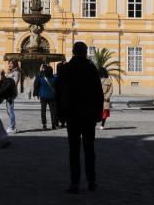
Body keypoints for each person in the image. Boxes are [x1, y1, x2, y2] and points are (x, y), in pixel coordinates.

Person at [55, 42, 103, 194]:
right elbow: (98, 93)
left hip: (72, 114)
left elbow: (59, 92)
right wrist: (98, 114)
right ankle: (91, 181)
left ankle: (74, 183)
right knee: (89, 149)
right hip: (88, 114)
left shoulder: (66, 68)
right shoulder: (91, 68)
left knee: (74, 150)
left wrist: (60, 114)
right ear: (85, 52)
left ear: (73, 52)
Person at [34, 64, 57, 130]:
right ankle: (53, 124)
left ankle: (44, 125)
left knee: (43, 110)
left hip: (43, 96)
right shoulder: (54, 78)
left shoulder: (41, 78)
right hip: (52, 96)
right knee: (53, 111)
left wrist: (40, 70)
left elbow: (37, 79)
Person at [4, 59, 21, 134]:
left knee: (10, 110)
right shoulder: (11, 72)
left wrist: (7, 79)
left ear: (14, 64)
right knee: (8, 110)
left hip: (11, 93)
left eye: (11, 63)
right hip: (7, 92)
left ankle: (12, 126)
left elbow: (14, 82)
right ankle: (13, 126)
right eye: (9, 63)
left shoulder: (16, 72)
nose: (9, 65)